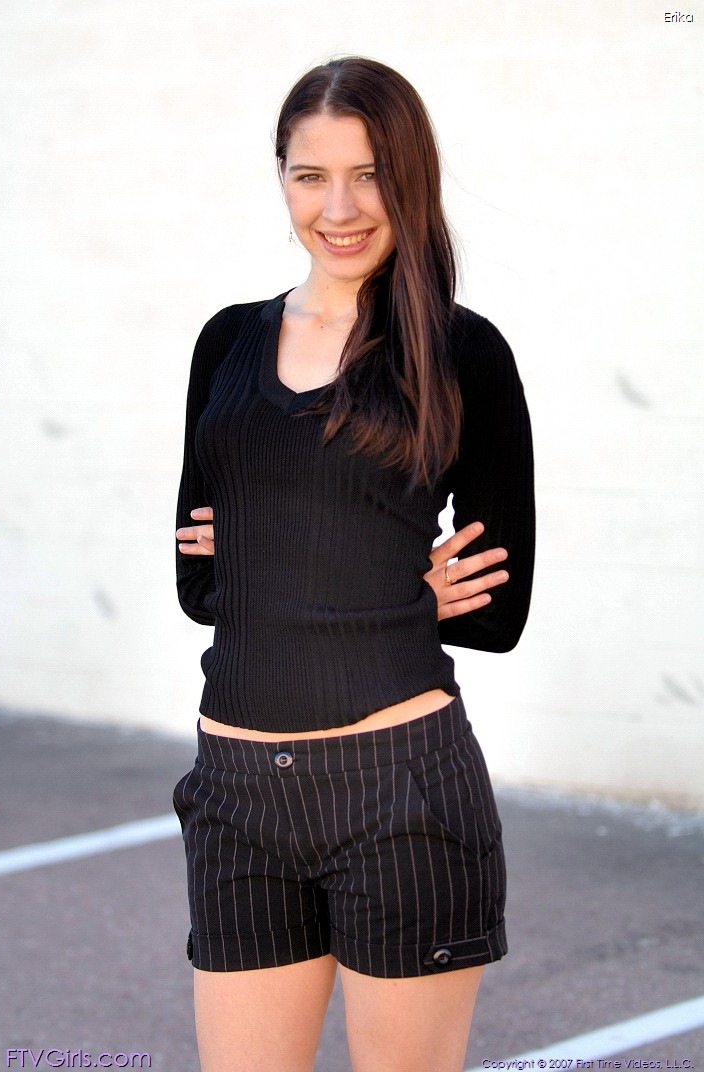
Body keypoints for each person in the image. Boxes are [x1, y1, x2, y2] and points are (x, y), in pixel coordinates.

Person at [173, 56, 535, 1072]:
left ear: (409, 178)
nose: (338, 208)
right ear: (282, 179)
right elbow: (202, 586)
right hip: (235, 792)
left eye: (368, 175)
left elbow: (496, 610)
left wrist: (295, 559)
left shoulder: (461, 352)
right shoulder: (226, 344)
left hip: (397, 789)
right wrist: (381, 579)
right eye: (310, 176)